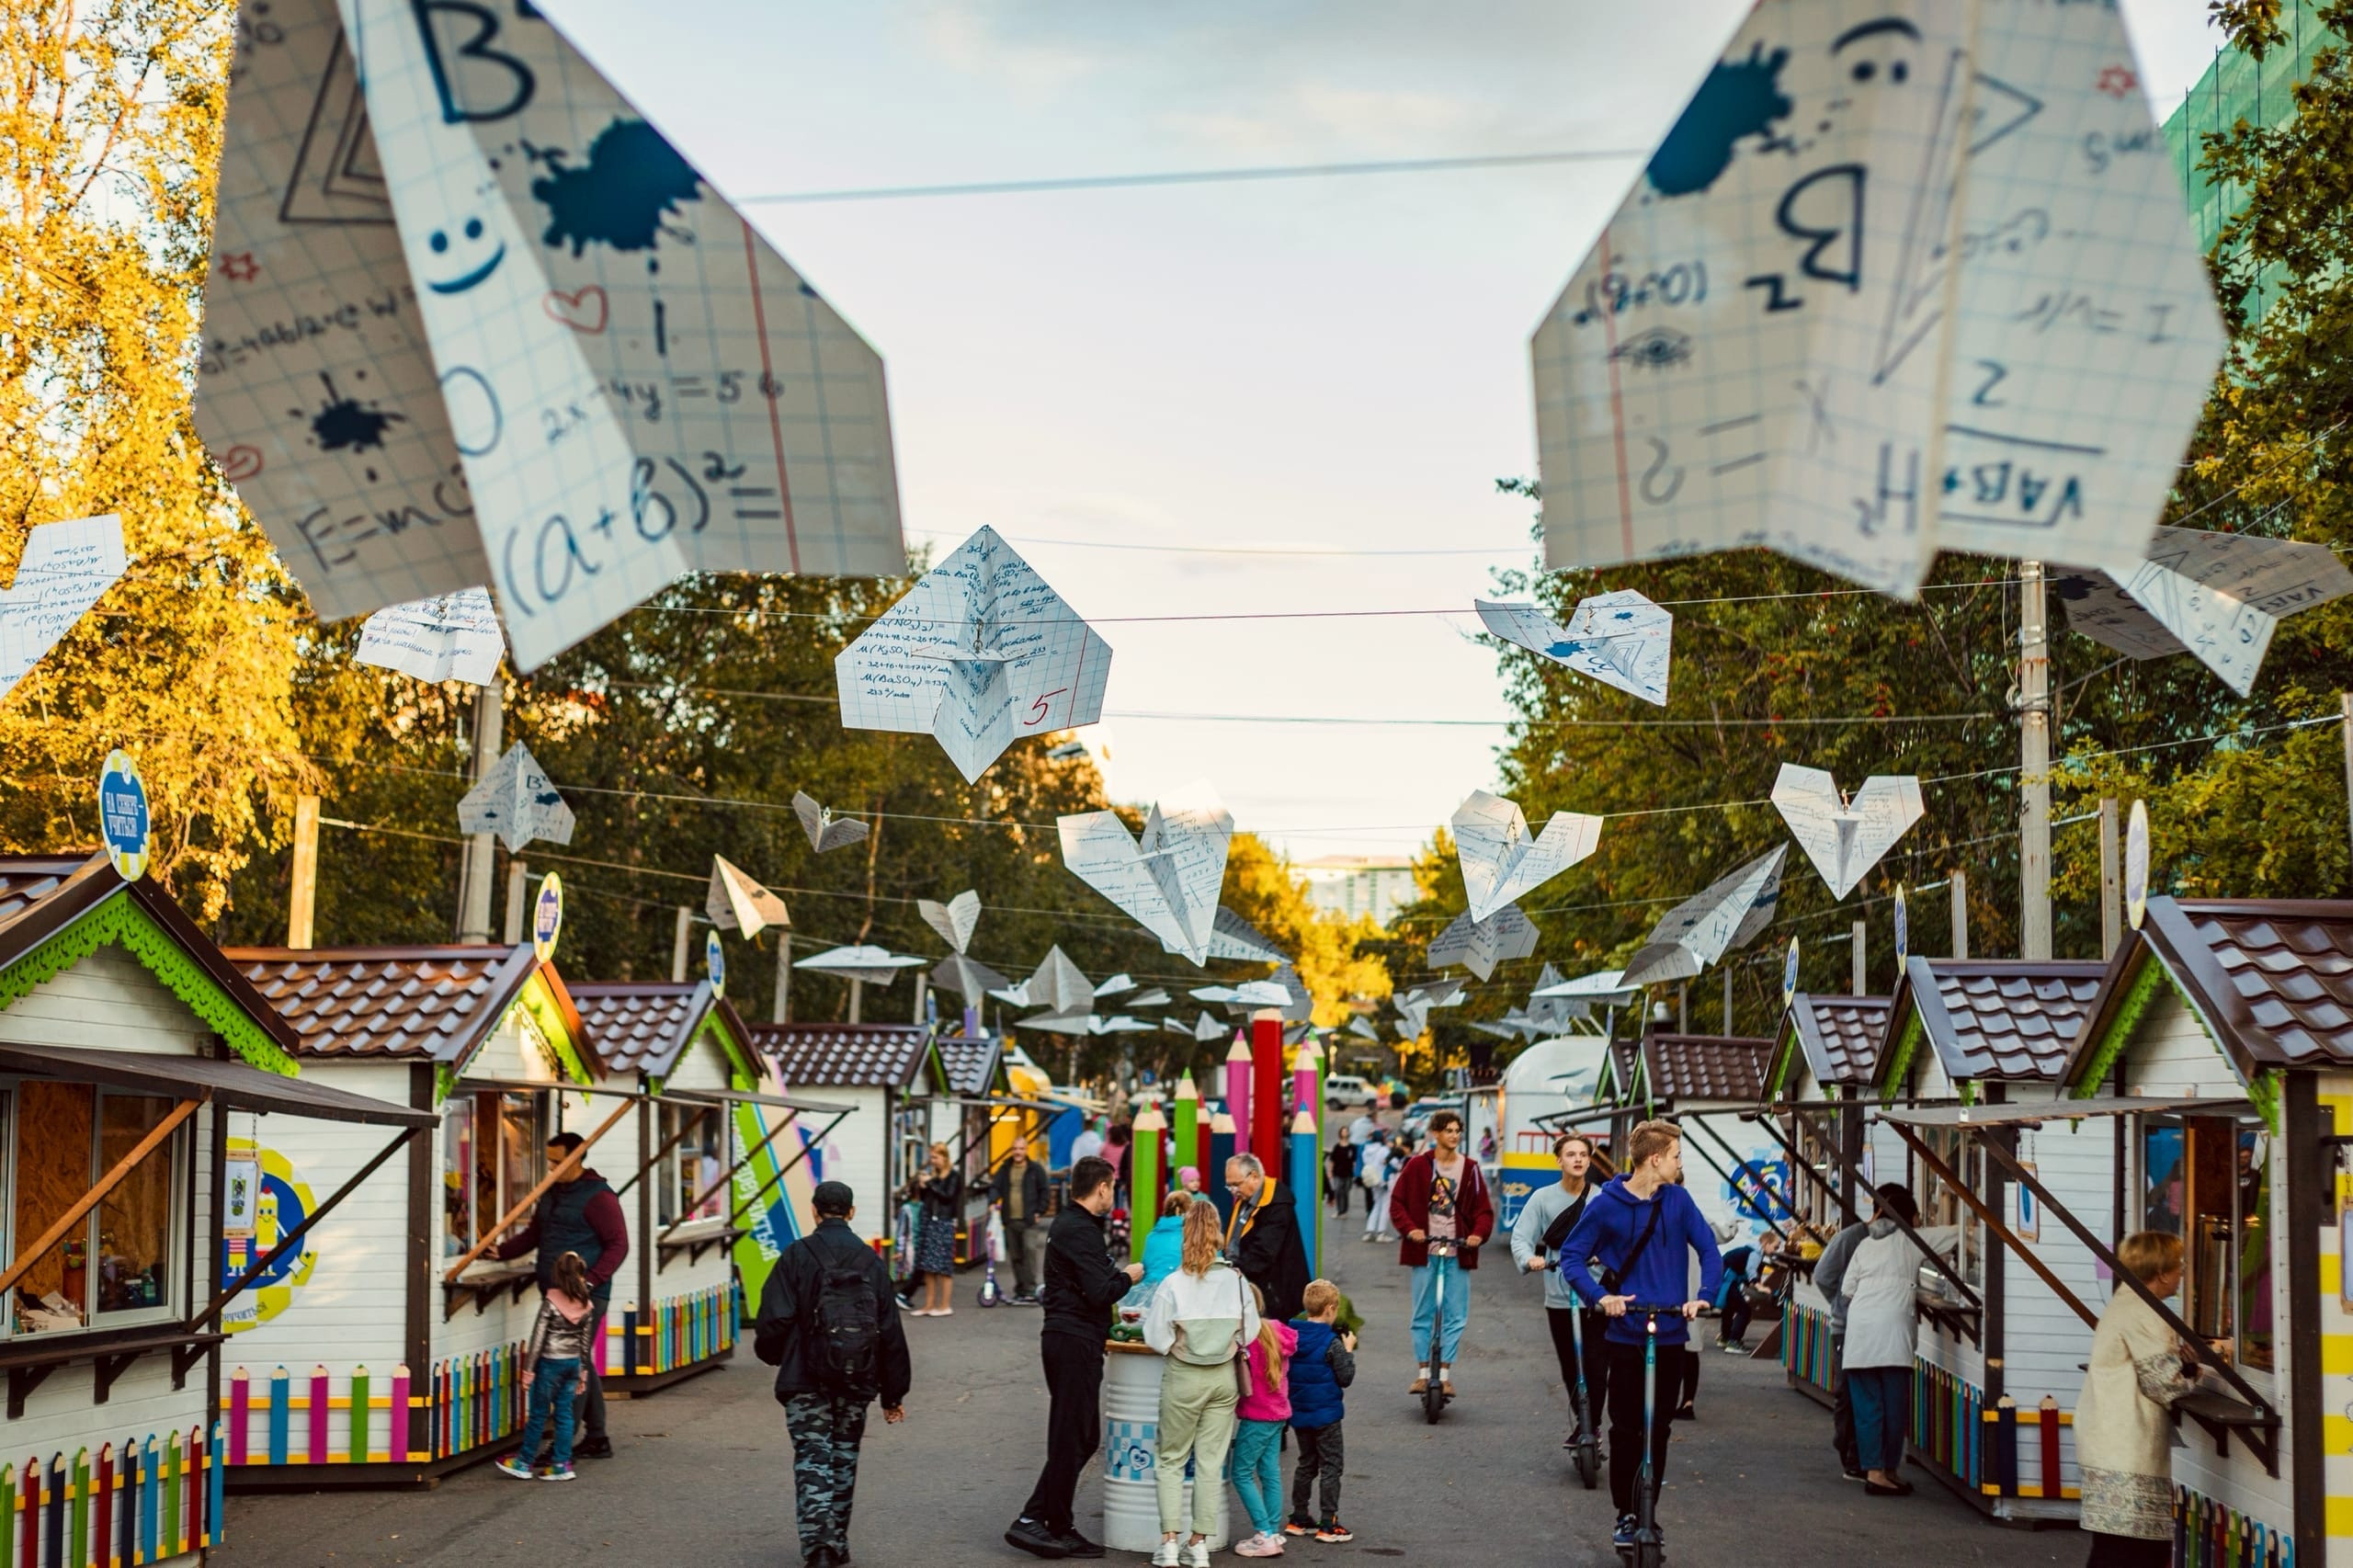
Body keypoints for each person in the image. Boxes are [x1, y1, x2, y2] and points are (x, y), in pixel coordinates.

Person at [1560, 1118, 1722, 1553]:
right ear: (1656, 1159)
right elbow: (1572, 1258)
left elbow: (1708, 1250)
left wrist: (1702, 1296)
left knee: (1660, 1428)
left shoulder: (1679, 1201)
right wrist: (1600, 1297)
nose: (1678, 1162)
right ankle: (1626, 1514)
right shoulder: (1607, 1205)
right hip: (1626, 1334)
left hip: (1670, 1331)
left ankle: (1649, 1511)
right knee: (1627, 1427)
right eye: (1675, 1156)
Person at [751, 1180, 913, 1568]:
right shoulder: (871, 1262)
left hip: (805, 1378)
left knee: (812, 1456)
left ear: (814, 1210)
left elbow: (774, 1320)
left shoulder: (796, 1255)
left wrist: (777, 1356)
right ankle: (836, 1541)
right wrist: (894, 1394)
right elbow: (889, 1331)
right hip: (857, 1378)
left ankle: (819, 1545)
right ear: (851, 1212)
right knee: (843, 1456)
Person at [1006, 1154, 1143, 1561]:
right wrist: (1128, 1277)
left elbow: (1089, 1284)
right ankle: (1044, 1522)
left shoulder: (1074, 1227)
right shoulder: (1079, 1230)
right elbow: (1101, 1290)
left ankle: (1043, 1519)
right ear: (1101, 1186)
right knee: (1072, 1437)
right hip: (1072, 1339)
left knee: (1081, 1437)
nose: (1113, 1193)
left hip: (1073, 1337)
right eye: (1112, 1186)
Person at [494, 1131, 628, 1460]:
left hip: (583, 1297)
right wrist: (498, 1252)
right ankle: (597, 1438)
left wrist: (591, 1282)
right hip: (555, 1294)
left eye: (557, 1161)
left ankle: (562, 1448)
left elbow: (619, 1245)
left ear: (577, 1157)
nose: (550, 1166)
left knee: (568, 1369)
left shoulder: (599, 1197)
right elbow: (535, 1235)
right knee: (580, 1364)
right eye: (548, 1160)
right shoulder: (552, 1192)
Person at [2076, 1231, 2203, 1566]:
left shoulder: (2125, 1302)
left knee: (2112, 1546)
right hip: (2127, 1448)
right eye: (2179, 1264)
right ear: (2161, 1273)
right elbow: (2164, 1385)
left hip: (2106, 1439)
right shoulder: (2148, 1313)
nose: (2182, 1271)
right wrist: (2194, 1371)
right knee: (2134, 1551)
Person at [1143, 1199, 1256, 1568]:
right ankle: (1200, 1545)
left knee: (1171, 1459)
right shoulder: (1237, 1281)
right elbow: (1250, 1331)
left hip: (1184, 1376)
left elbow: (1156, 1337)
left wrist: (1177, 1342)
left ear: (1186, 1234)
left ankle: (1170, 1544)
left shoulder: (1174, 1283)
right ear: (1218, 1234)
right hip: (1223, 1377)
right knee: (1210, 1462)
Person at [1840, 1184, 1955, 1497]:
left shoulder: (1865, 1245)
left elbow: (1847, 1289)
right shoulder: (1911, 1240)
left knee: (1867, 1409)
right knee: (1893, 1408)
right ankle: (1884, 1472)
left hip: (1860, 1334)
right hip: (1893, 1334)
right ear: (1910, 1217)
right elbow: (1955, 1233)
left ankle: (1877, 1471)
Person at [1510, 1131, 1608, 1449]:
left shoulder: (1602, 1199)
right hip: (1558, 1293)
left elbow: (1619, 1238)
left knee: (1596, 1364)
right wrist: (1530, 1259)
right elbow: (1521, 1237)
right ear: (1559, 1161)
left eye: (1583, 1154)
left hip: (1596, 1294)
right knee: (1570, 1364)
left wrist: (1604, 1255)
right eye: (1571, 1154)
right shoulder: (1542, 1198)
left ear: (1589, 1160)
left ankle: (1591, 1425)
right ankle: (1584, 1420)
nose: (1578, 1159)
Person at [1388, 1108, 1495, 1396]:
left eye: (1458, 1131)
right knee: (1422, 1313)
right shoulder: (1417, 1166)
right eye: (1448, 1130)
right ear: (1435, 1133)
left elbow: (1484, 1211)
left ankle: (1444, 1373)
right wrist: (1411, 1230)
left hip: (1458, 1252)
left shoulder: (1470, 1168)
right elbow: (1397, 1204)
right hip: (1424, 1250)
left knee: (1456, 1314)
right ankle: (1423, 1372)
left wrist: (1476, 1235)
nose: (1454, 1136)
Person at [494, 1250, 597, 1483]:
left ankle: (524, 1461)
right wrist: (582, 1372)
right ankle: (561, 1463)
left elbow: (538, 1339)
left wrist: (528, 1371)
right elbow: (585, 1343)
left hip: (550, 1363)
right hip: (572, 1364)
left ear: (557, 1275)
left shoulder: (550, 1303)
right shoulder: (586, 1305)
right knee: (564, 1414)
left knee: (539, 1414)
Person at [1282, 1278, 1356, 1543]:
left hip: (1300, 1413)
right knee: (1331, 1466)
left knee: (1306, 1463)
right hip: (1326, 1415)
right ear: (1330, 1309)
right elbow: (1345, 1377)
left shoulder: (1292, 1335)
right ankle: (1328, 1522)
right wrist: (1348, 1350)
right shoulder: (1332, 1342)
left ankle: (1299, 1516)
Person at [1807, 1198, 1875, 1481]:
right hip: (1845, 1327)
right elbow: (1823, 1275)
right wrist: (1842, 1305)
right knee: (1848, 1391)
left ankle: (1862, 1454)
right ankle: (1850, 1455)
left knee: (1861, 1392)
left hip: (1868, 1327)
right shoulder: (1852, 1238)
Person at [1231, 1281, 1296, 1558]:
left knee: (1241, 1473)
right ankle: (1272, 1530)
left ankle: (1264, 1533)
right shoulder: (1278, 1330)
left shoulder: (1243, 1338)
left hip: (1256, 1415)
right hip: (1279, 1412)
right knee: (1269, 1472)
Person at [1224, 1152, 1311, 1323]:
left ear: (1254, 1176)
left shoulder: (1277, 1205)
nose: (1233, 1191)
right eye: (1229, 1186)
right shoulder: (1246, 1201)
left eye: (1236, 1185)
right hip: (1252, 1286)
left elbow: (1263, 1252)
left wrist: (1232, 1270)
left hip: (1274, 1294)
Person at [995, 1142, 1051, 1306]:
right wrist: (992, 1200)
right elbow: (996, 1186)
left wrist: (1040, 1211)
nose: (1017, 1152)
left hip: (1029, 1221)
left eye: (1021, 1149)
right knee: (1015, 1256)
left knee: (1029, 1251)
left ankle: (1031, 1288)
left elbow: (1044, 1190)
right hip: (1010, 1219)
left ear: (1026, 1150)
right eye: (1014, 1149)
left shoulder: (1035, 1169)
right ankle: (1021, 1289)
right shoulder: (1005, 1168)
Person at [909, 1142, 961, 1317]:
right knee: (928, 1266)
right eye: (931, 1157)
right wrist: (923, 1187)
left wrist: (930, 1183)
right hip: (929, 1222)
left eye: (936, 1157)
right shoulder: (934, 1176)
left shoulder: (953, 1176)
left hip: (943, 1222)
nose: (933, 1161)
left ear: (945, 1157)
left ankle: (944, 1305)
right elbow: (928, 1199)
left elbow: (947, 1197)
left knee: (943, 1266)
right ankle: (929, 1305)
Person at [1142, 1189, 1191, 1286]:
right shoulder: (1193, 1237)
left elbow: (1146, 1268)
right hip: (1181, 1293)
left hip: (1152, 1293)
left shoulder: (1151, 1237)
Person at [1357, 1134, 1393, 1242]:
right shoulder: (1384, 1150)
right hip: (1384, 1180)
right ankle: (1381, 1233)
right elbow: (1390, 1162)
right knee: (1385, 1206)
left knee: (1376, 1205)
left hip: (1372, 1180)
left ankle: (1370, 1230)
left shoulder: (1366, 1150)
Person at [1324, 1127, 1355, 1218]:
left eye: (1346, 1131)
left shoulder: (1352, 1147)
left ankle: (1344, 1211)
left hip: (1348, 1173)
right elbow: (1332, 1160)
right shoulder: (1337, 1147)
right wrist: (1330, 1172)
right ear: (1340, 1133)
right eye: (1343, 1131)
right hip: (1337, 1172)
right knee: (1337, 1190)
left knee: (1345, 1192)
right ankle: (1339, 1210)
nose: (1345, 1133)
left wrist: (1355, 1172)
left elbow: (1354, 1162)